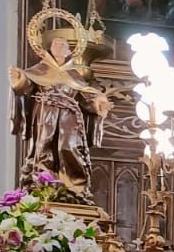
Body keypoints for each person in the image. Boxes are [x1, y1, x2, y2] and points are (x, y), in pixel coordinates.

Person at [8, 31, 114, 202]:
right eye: (56, 44)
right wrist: (18, 78)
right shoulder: (39, 70)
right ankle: (43, 185)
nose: (59, 47)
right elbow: (25, 87)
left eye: (63, 45)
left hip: (69, 116)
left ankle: (74, 186)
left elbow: (85, 98)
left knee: (69, 146)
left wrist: (98, 105)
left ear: (68, 51)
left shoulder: (74, 75)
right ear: (49, 48)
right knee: (44, 146)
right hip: (45, 112)